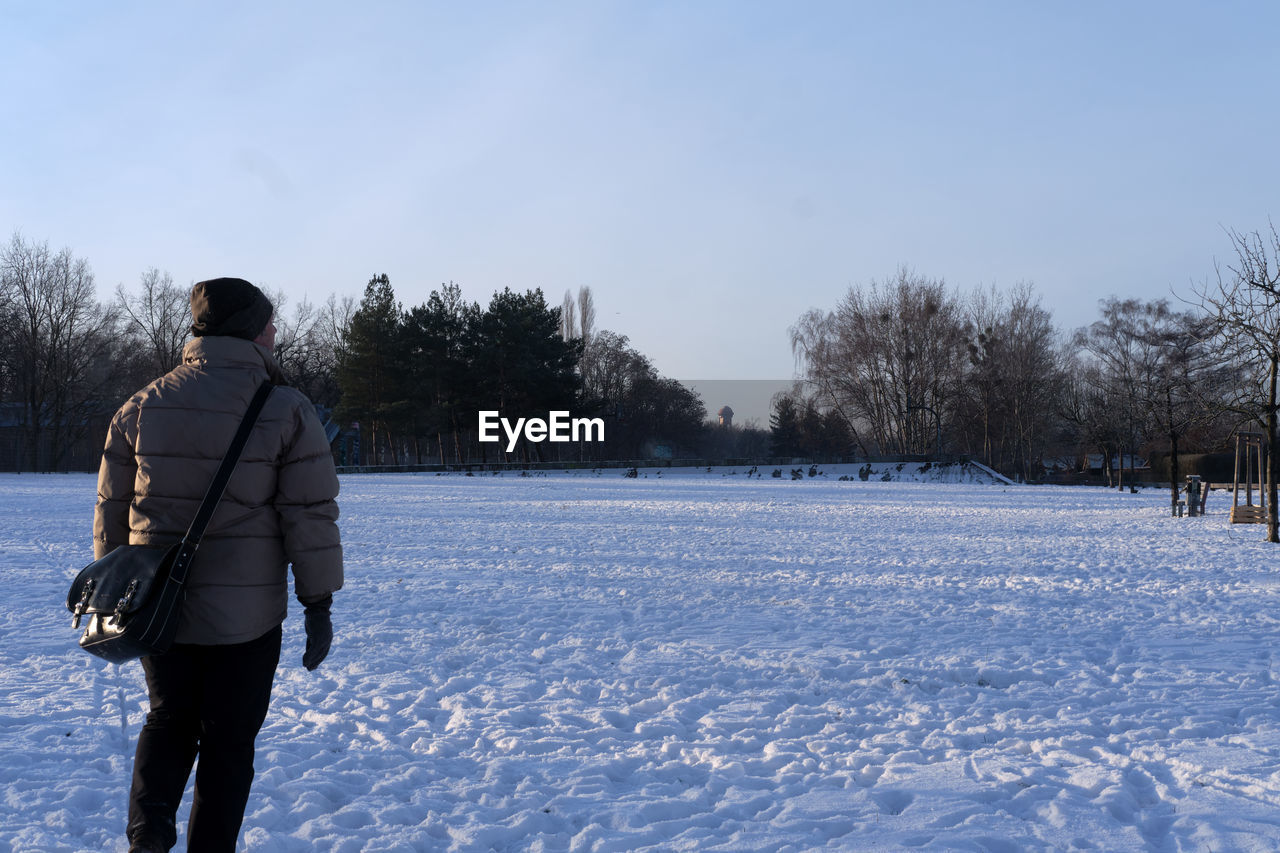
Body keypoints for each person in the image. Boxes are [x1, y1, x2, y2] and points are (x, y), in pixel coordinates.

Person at [94, 277, 344, 853]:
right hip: (247, 617)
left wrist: (115, 591)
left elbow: (112, 509)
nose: (276, 333)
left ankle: (148, 834)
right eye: (270, 323)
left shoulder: (142, 404)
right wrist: (318, 602)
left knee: (167, 719)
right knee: (229, 745)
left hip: (159, 608)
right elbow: (308, 514)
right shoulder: (285, 408)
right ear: (253, 330)